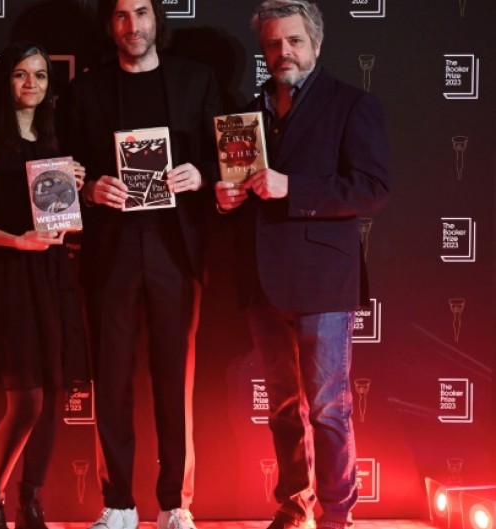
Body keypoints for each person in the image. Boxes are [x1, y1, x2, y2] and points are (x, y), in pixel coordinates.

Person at [214, 2, 390, 529]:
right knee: (283, 407)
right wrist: (226, 201)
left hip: (323, 282)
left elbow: (372, 187)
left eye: (293, 41)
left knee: (329, 407)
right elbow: (243, 188)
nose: (283, 52)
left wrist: (293, 188)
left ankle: (337, 514)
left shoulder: (353, 104)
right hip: (264, 280)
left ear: (315, 43)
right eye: (273, 44)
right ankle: (295, 505)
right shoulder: (248, 113)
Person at [61, 1, 220, 529]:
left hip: (176, 248)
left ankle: (175, 504)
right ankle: (118, 504)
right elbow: (62, 169)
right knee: (111, 379)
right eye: (122, 15)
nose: (133, 26)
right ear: (110, 25)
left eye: (142, 12)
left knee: (175, 379)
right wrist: (89, 188)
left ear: (157, 20)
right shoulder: (85, 91)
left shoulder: (197, 81)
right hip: (112, 249)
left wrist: (201, 175)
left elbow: (229, 155)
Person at [0, 41, 89, 529]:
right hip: (9, 276)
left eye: (40, 75)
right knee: (28, 398)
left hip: (53, 276)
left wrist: (73, 190)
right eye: (20, 74)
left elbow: (63, 221)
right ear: (4, 81)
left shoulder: (55, 142)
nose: (30, 83)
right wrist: (18, 241)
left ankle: (30, 503)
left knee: (51, 394)